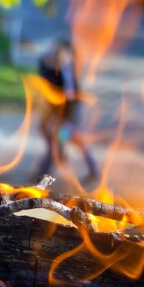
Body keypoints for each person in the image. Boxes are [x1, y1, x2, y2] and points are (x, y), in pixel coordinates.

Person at [34, 40, 99, 182]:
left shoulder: (66, 72)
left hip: (69, 113)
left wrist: (63, 119)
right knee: (55, 137)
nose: (61, 58)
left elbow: (68, 100)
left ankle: (46, 169)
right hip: (59, 112)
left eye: (64, 55)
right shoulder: (50, 67)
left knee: (63, 138)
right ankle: (56, 162)